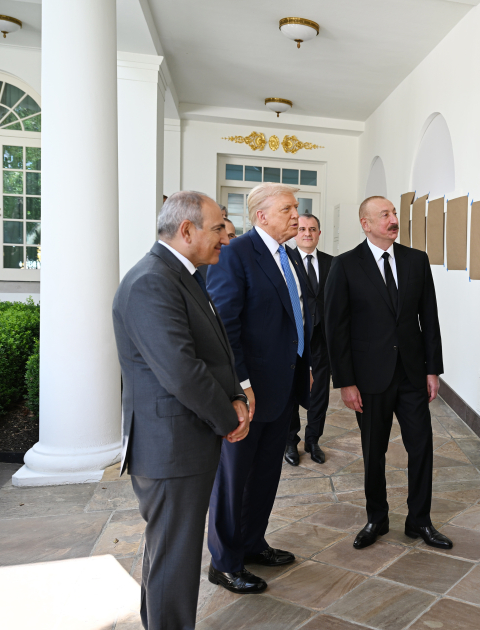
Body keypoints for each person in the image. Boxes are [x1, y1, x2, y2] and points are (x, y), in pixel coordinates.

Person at [112, 191, 250, 630]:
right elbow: (181, 370)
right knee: (174, 560)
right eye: (217, 229)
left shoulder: (184, 275)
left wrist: (238, 397)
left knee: (172, 556)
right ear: (187, 230)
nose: (225, 238)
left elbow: (214, 351)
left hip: (183, 442)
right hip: (170, 448)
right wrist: (229, 417)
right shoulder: (152, 281)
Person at [324, 195, 450, 550]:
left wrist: (432, 369)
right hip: (369, 378)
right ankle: (376, 518)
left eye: (394, 213)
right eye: (385, 215)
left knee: (422, 446)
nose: (393, 219)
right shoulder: (345, 265)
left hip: (411, 374)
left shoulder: (416, 260)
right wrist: (345, 381)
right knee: (373, 451)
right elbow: (336, 329)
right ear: (365, 223)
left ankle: (419, 521)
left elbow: (430, 318)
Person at [205, 183, 313, 594]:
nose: (296, 215)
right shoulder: (236, 253)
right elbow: (225, 328)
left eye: (296, 208)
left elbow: (293, 318)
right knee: (234, 480)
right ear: (261, 216)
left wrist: (303, 364)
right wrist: (242, 386)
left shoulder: (287, 255)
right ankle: (224, 562)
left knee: (265, 476)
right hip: (249, 392)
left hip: (282, 386)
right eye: (287, 208)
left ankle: (252, 544)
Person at [285, 213, 333, 466]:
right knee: (292, 391)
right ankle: (290, 441)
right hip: (294, 339)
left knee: (320, 392)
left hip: (323, 340)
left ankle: (313, 440)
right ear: (295, 232)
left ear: (319, 233)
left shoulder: (332, 263)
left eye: (312, 229)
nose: (307, 233)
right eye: (302, 228)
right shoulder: (285, 261)